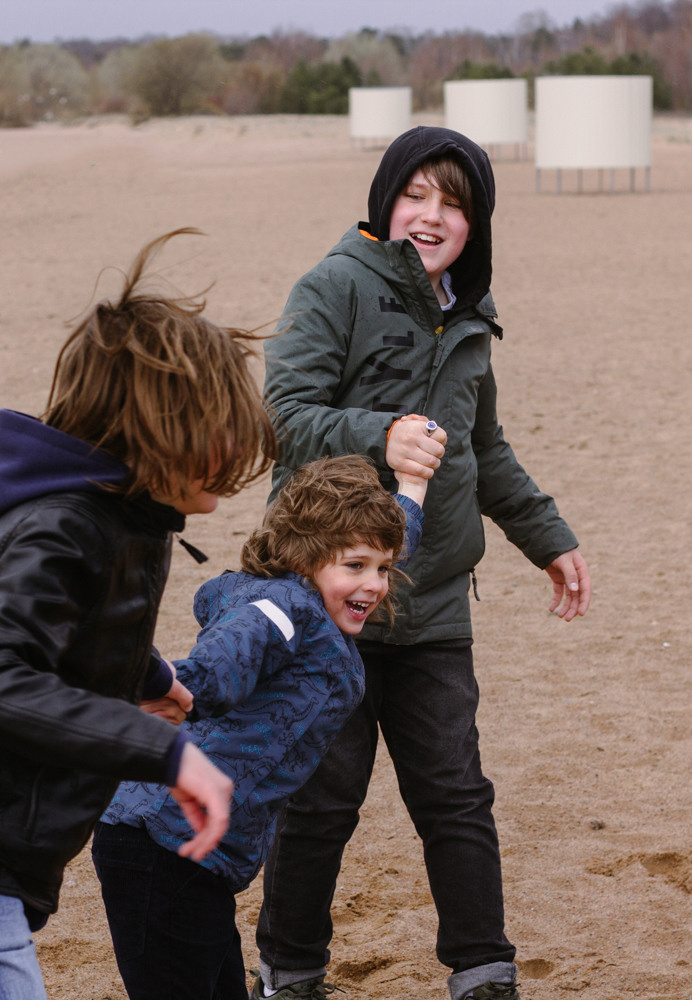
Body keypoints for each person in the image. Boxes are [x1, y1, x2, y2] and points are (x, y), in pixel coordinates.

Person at [0, 228, 277, 999]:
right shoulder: (62, 526)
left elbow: (76, 629)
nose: (240, 441)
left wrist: (146, 675)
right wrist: (166, 752)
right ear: (157, 426)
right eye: (220, 426)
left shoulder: (130, 520)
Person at [253, 127, 592, 1000]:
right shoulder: (334, 286)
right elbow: (283, 416)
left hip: (434, 602)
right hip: (328, 601)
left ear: (475, 223)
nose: (431, 216)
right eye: (416, 195)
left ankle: (483, 970)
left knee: (454, 794)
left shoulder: (468, 315)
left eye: (454, 203)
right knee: (321, 801)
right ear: (385, 200)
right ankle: (290, 973)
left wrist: (548, 538)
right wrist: (380, 431)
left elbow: (484, 450)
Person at [93, 453, 430, 1000]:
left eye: (385, 567)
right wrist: (181, 688)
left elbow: (394, 528)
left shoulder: (320, 599)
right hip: (160, 840)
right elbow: (229, 655)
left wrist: (413, 483)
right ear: (303, 559)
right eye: (356, 566)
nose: (376, 583)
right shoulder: (278, 608)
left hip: (205, 852)